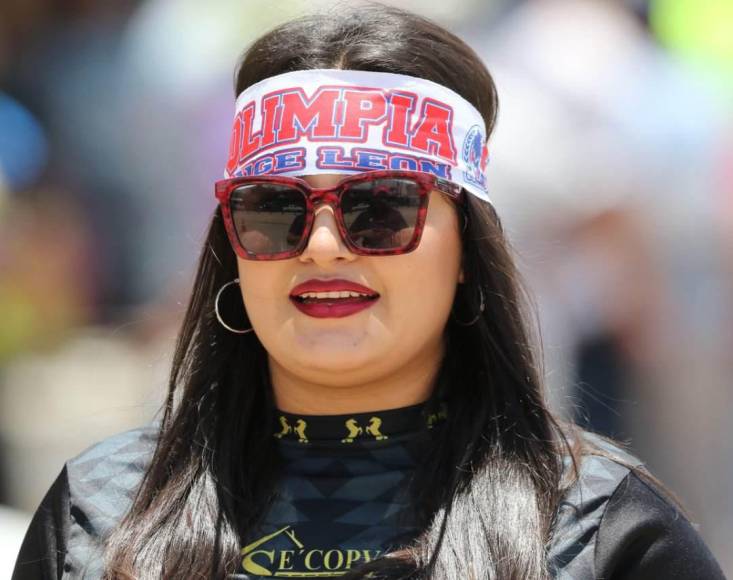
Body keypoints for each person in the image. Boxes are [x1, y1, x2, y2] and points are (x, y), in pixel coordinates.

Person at [12, 3, 727, 579]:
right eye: (273, 209)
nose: (322, 246)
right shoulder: (102, 508)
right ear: (232, 248)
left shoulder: (602, 528)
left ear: (466, 251)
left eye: (379, 208)